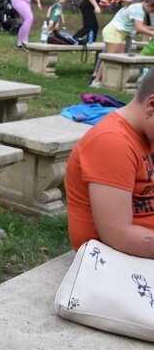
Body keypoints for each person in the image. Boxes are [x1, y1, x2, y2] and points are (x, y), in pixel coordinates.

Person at [65, 68, 154, 257]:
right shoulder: (113, 142)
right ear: (151, 105)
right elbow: (118, 236)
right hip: (118, 258)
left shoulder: (148, 133)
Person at [90, 0, 154, 87]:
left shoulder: (138, 7)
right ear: (149, 5)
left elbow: (139, 26)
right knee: (110, 57)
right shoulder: (138, 9)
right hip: (114, 31)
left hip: (120, 33)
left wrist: (151, 28)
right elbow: (139, 28)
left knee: (119, 59)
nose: (151, 12)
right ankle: (96, 81)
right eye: (152, 10)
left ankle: (113, 82)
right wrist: (152, 33)